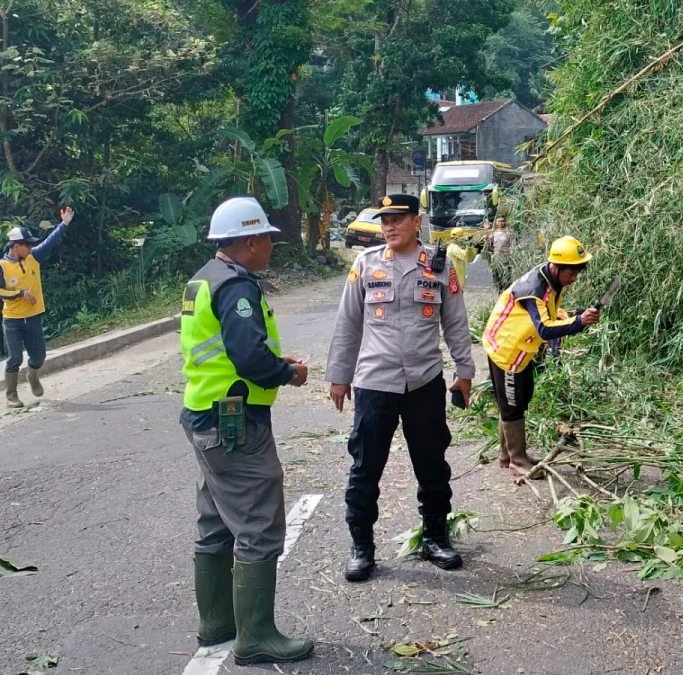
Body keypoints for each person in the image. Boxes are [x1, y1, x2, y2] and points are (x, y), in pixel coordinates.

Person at [178, 196, 313, 665]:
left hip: (203, 414)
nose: (271, 246)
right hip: (234, 423)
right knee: (257, 522)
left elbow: (226, 350)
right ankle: (255, 637)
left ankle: (216, 624)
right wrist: (289, 372)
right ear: (251, 240)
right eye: (268, 239)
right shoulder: (237, 287)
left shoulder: (203, 278)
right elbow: (251, 359)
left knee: (215, 521)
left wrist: (275, 361)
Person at [325, 193, 476, 582]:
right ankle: (362, 547)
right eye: (384, 220)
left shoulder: (439, 266)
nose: (389, 226)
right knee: (365, 468)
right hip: (375, 383)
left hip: (424, 382)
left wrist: (464, 370)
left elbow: (455, 323)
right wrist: (339, 377)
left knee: (432, 465)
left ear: (417, 220)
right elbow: (348, 324)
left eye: (398, 219)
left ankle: (435, 537)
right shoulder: (366, 264)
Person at [482, 236, 600, 480]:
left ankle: (508, 456)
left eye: (578, 272)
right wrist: (578, 322)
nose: (574, 278)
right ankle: (517, 461)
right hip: (507, 349)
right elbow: (544, 329)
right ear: (557, 267)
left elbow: (552, 315)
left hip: (522, 349)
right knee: (512, 404)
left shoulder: (551, 281)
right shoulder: (535, 289)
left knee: (521, 398)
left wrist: (577, 315)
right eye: (571, 272)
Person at [0, 206, 73, 408]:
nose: (31, 247)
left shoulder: (33, 257)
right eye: (27, 245)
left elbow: (49, 242)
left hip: (33, 317)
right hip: (12, 320)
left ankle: (33, 376)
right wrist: (21, 293)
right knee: (14, 357)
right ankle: (12, 395)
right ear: (16, 246)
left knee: (39, 356)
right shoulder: (2, 266)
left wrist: (63, 223)